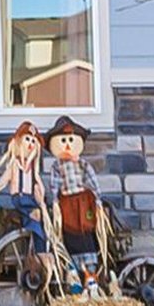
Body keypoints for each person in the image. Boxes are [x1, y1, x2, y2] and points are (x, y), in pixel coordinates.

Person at [41, 115, 104, 289]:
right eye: (63, 140)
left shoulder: (82, 164)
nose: (67, 144)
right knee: (69, 232)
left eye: (71, 139)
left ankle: (90, 275)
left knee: (87, 231)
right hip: (66, 203)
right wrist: (54, 201)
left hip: (83, 202)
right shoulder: (57, 166)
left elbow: (91, 180)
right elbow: (54, 184)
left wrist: (97, 198)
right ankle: (73, 274)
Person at [0, 120, 47, 247]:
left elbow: (39, 184)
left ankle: (39, 246)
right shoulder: (14, 166)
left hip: (32, 199)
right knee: (34, 216)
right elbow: (3, 181)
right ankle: (40, 251)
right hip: (20, 198)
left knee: (43, 218)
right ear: (18, 141)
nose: (30, 143)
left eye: (33, 141)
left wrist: (41, 199)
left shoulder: (33, 168)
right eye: (27, 139)